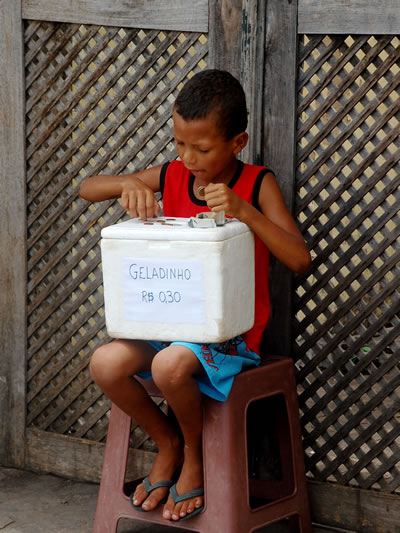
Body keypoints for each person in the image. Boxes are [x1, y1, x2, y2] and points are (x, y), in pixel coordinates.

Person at [79, 69, 311, 522]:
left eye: (202, 149)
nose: (188, 157)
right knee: (104, 363)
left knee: (170, 365)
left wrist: (245, 211)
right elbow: (87, 188)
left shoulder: (257, 183)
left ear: (237, 143)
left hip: (229, 338)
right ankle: (167, 442)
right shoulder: (169, 176)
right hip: (166, 325)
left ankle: (194, 455)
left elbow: (299, 258)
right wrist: (126, 185)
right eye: (180, 144)